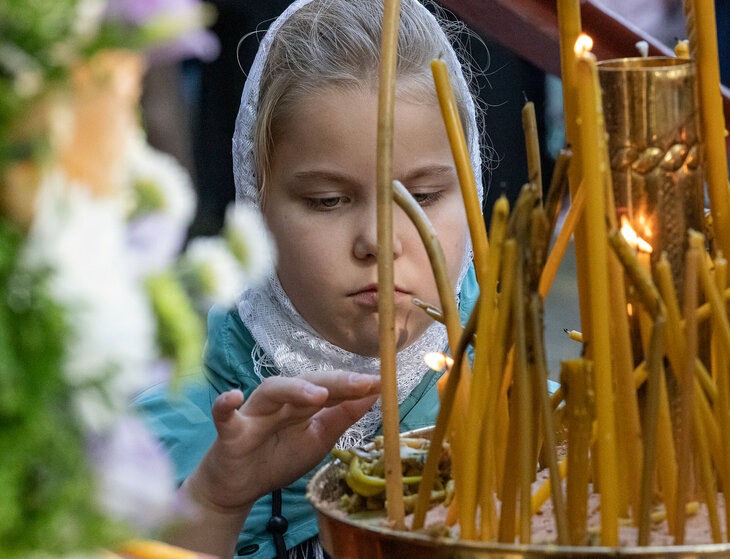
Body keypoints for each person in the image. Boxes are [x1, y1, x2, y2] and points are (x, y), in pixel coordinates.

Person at [135, 0, 482, 557]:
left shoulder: (545, 432)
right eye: (328, 200)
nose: (380, 241)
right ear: (257, 199)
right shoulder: (149, 451)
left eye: (421, 198)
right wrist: (217, 501)